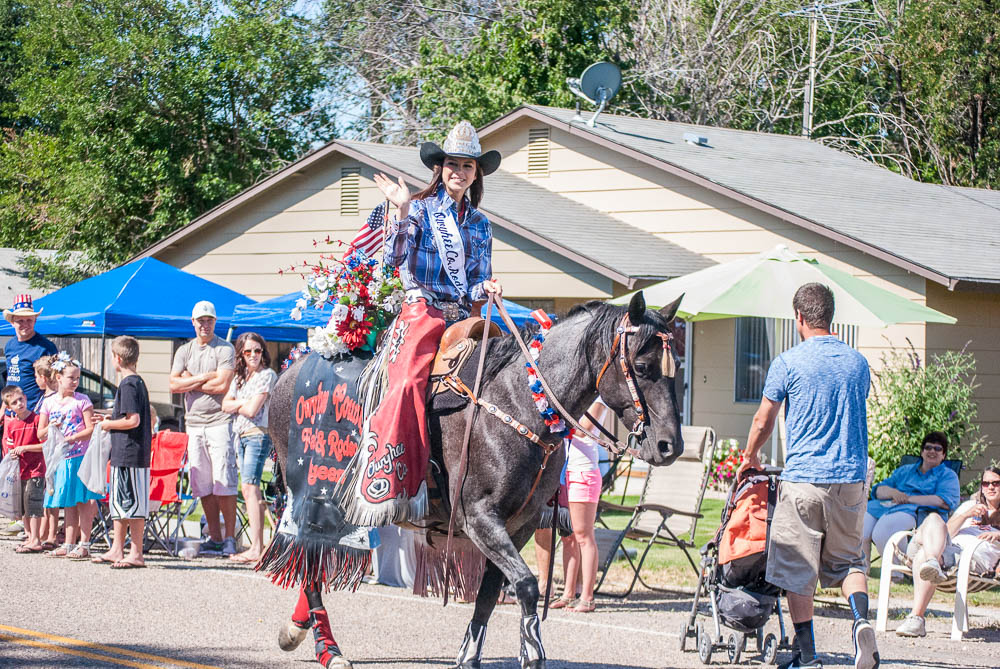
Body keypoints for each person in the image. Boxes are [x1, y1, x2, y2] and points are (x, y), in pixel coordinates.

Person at [357, 120, 502, 523]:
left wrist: (486, 287)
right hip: (422, 309)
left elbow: (474, 281)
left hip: (462, 316)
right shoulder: (419, 208)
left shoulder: (481, 225)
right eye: (452, 163)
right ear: (440, 167)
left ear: (476, 174)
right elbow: (393, 259)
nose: (459, 171)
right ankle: (392, 480)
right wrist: (401, 209)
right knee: (405, 384)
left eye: (467, 166)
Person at [738, 283, 879, 669]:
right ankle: (862, 622)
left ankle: (809, 656)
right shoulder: (857, 363)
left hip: (803, 481)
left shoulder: (788, 362)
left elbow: (763, 419)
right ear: (830, 316)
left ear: (798, 317)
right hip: (849, 482)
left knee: (799, 571)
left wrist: (749, 456)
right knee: (850, 563)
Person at [894, 466, 1000, 637]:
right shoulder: (971, 505)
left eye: (996, 483)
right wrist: (966, 515)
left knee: (924, 555)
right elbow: (947, 531)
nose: (990, 487)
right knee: (934, 519)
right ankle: (932, 561)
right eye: (985, 483)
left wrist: (997, 535)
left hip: (969, 558)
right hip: (945, 547)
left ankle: (916, 617)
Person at [169, 300, 238, 555]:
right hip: (194, 423)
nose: (205, 324)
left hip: (219, 421)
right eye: (200, 320)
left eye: (209, 320)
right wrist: (205, 377)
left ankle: (229, 537)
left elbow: (222, 386)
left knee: (225, 481)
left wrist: (191, 381)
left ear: (215, 322)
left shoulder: (224, 348)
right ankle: (216, 536)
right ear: (193, 322)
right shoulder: (184, 351)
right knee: (202, 484)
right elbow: (174, 385)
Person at [92, 336, 152, 569]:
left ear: (117, 358)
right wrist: (110, 418)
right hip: (124, 454)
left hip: (131, 454)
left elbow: (132, 420)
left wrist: (108, 425)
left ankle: (136, 552)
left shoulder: (128, 384)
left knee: (133, 504)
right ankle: (117, 549)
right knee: (119, 502)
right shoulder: (135, 383)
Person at [2, 294, 56, 537]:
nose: (24, 325)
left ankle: (37, 522)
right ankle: (20, 516)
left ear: (35, 320)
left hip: (34, 413)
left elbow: (52, 380)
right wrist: (4, 408)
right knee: (14, 465)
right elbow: (9, 381)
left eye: (29, 320)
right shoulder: (10, 345)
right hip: (12, 413)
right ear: (12, 321)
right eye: (20, 320)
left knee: (34, 468)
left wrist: (43, 409)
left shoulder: (45, 347)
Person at [862, 431, 960, 565]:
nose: (932, 451)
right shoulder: (906, 470)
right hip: (884, 507)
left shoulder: (948, 475)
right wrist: (893, 492)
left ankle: (899, 573)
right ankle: (862, 569)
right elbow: (878, 490)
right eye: (928, 447)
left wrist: (908, 498)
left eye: (938, 449)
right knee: (861, 527)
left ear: (943, 455)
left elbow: (943, 501)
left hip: (916, 513)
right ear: (922, 452)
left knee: (882, 531)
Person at [549, 401, 610, 613]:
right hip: (569, 470)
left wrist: (554, 421)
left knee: (584, 535)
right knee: (569, 537)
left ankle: (587, 596)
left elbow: (584, 429)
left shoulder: (599, 401)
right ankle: (568, 593)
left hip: (584, 472)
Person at [39, 353, 101, 559]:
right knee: (68, 501)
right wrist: (50, 427)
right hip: (60, 458)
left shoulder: (82, 400)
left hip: (79, 456)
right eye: (71, 378)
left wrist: (73, 437)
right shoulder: (48, 403)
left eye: (77, 378)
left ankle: (84, 543)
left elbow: (91, 429)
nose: (75, 382)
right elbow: (40, 433)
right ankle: (68, 542)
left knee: (83, 500)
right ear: (58, 377)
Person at [222, 332, 277, 563]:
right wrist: (244, 403)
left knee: (250, 487)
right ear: (241, 355)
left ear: (263, 352)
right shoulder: (240, 378)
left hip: (257, 434)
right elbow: (225, 405)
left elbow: (254, 411)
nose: (253, 355)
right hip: (241, 435)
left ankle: (257, 546)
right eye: (248, 351)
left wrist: (240, 404)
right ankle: (256, 543)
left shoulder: (267, 375)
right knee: (248, 490)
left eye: (257, 350)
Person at [1, 385, 45, 553]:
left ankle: (36, 539)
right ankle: (29, 536)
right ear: (9, 407)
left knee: (34, 506)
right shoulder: (12, 425)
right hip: (20, 472)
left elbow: (44, 445)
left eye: (21, 399)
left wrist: (26, 448)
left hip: (36, 470)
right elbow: (9, 445)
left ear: (26, 398)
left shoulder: (36, 419)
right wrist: (11, 453)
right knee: (24, 507)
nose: (19, 403)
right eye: (14, 402)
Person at [32, 355, 59, 550]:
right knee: (46, 494)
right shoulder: (45, 398)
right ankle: (42, 534)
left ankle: (51, 534)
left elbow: (43, 433)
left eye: (35, 375)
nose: (35, 380)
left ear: (43, 376)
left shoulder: (52, 400)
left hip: (51, 450)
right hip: (45, 450)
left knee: (51, 493)